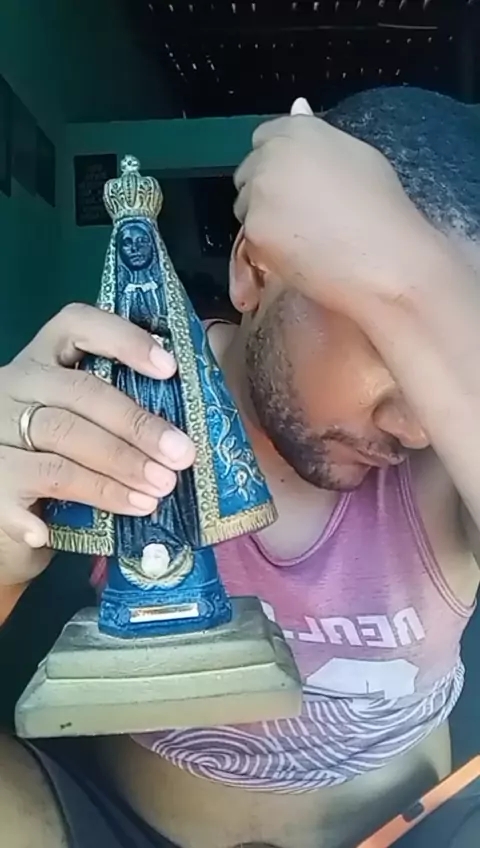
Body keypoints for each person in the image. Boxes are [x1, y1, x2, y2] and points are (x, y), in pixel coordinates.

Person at [1, 85, 480, 848]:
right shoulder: (112, 409)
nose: (418, 423)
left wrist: (405, 277)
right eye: (382, 333)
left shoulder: (451, 464)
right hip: (112, 823)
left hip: (409, 828)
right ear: (256, 271)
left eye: (434, 344)